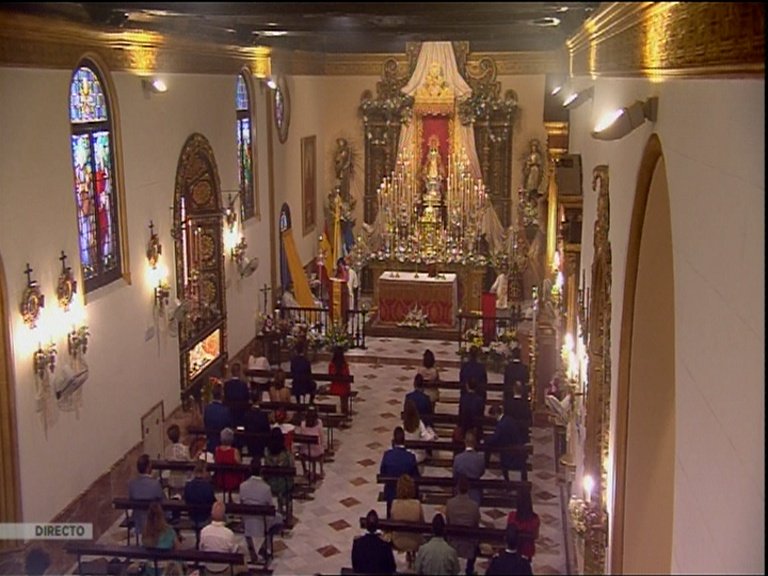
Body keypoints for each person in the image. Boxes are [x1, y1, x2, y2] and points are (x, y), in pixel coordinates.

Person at [240, 459, 284, 563]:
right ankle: (265, 546)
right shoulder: (266, 488)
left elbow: (241, 503)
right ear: (261, 471)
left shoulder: (242, 486)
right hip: (262, 521)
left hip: (248, 520)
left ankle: (253, 549)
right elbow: (270, 507)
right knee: (279, 518)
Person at [380, 426, 420, 518]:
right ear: (404, 441)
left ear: (393, 441)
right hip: (407, 494)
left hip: (391, 493)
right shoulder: (410, 457)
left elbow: (382, 473)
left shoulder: (387, 455)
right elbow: (416, 476)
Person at [445, 475, 481, 576]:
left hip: (453, 541)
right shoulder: (474, 505)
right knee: (477, 539)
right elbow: (476, 523)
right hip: (469, 543)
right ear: (468, 488)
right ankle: (469, 570)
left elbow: (448, 521)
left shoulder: (450, 503)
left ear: (457, 488)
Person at [484, 403, 525, 482]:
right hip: (516, 445)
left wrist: (486, 441)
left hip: (510, 450)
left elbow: (496, 438)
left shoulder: (501, 425)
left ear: (496, 414)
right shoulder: (509, 419)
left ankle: (507, 482)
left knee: (504, 465)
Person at [391, 474, 425, 568]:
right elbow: (422, 523)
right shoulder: (417, 504)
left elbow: (392, 521)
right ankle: (412, 553)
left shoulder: (394, 503)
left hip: (398, 541)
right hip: (415, 541)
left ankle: (409, 554)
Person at [128, 454, 165, 540]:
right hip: (153, 519)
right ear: (148, 468)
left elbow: (131, 498)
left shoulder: (132, 484)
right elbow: (163, 500)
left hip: (138, 519)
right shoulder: (155, 484)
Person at [199, 501, 242, 574]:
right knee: (242, 559)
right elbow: (233, 552)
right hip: (224, 569)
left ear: (211, 514)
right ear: (224, 516)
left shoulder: (204, 531)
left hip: (209, 568)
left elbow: (201, 549)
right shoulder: (228, 533)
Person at [351, 509, 397, 575]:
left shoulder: (358, 542)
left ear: (366, 525)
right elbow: (392, 567)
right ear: (377, 525)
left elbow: (355, 565)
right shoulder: (384, 544)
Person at [263, 427, 295, 519]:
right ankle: (288, 514)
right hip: (284, 484)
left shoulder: (267, 453)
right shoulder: (286, 454)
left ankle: (280, 509)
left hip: (271, 483)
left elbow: (266, 467)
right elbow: (292, 465)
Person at [183, 460, 217, 547]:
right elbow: (213, 502)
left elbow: (185, 500)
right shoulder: (208, 486)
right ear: (204, 471)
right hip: (205, 518)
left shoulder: (188, 486)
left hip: (192, 517)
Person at [507, 487, 540, 561]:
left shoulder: (512, 516)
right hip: (528, 551)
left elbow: (509, 534)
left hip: (514, 549)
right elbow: (536, 536)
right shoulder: (535, 519)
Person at [452, 431, 485, 506]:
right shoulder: (480, 458)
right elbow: (481, 472)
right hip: (475, 491)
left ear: (465, 442)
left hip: (460, 491)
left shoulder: (458, 458)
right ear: (475, 443)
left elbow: (455, 475)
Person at [402, 397, 436, 466]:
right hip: (418, 455)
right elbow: (427, 438)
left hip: (406, 455)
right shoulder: (419, 424)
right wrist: (432, 434)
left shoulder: (402, 425)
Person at [213, 427, 244, 499]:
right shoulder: (234, 451)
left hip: (221, 479)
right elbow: (240, 465)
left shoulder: (217, 450)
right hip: (233, 480)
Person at [296, 406, 324, 482]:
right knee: (321, 448)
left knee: (301, 450)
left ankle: (305, 470)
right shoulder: (319, 423)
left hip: (305, 451)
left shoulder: (303, 424)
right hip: (317, 451)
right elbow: (322, 438)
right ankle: (321, 470)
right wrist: (322, 445)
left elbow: (302, 437)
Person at [242, 388, 271, 462]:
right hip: (260, 444)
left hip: (250, 443)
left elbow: (245, 429)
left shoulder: (247, 414)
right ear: (259, 399)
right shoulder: (263, 415)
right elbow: (267, 430)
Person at [204, 383, 233, 455]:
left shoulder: (207, 409)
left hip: (210, 442)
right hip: (222, 445)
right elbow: (228, 426)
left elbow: (205, 423)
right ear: (222, 395)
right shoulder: (225, 410)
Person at [163, 424, 191, 498]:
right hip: (183, 478)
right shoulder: (184, 449)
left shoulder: (167, 450)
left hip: (172, 479)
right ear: (179, 435)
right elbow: (189, 462)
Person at [224, 362, 250, 431]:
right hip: (241, 415)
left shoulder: (227, 385)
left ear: (232, 372)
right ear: (239, 372)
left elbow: (225, 399)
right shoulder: (243, 385)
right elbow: (247, 399)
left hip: (230, 414)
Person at [328, 345, 352, 418]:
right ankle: (345, 411)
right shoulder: (344, 365)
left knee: (342, 388)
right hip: (343, 388)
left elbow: (330, 376)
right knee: (345, 391)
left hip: (334, 388)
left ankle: (343, 411)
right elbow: (347, 376)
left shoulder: (331, 365)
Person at [504, 347, 530, 412]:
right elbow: (527, 381)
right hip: (522, 399)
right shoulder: (524, 368)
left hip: (509, 398)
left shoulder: (508, 368)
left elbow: (506, 382)